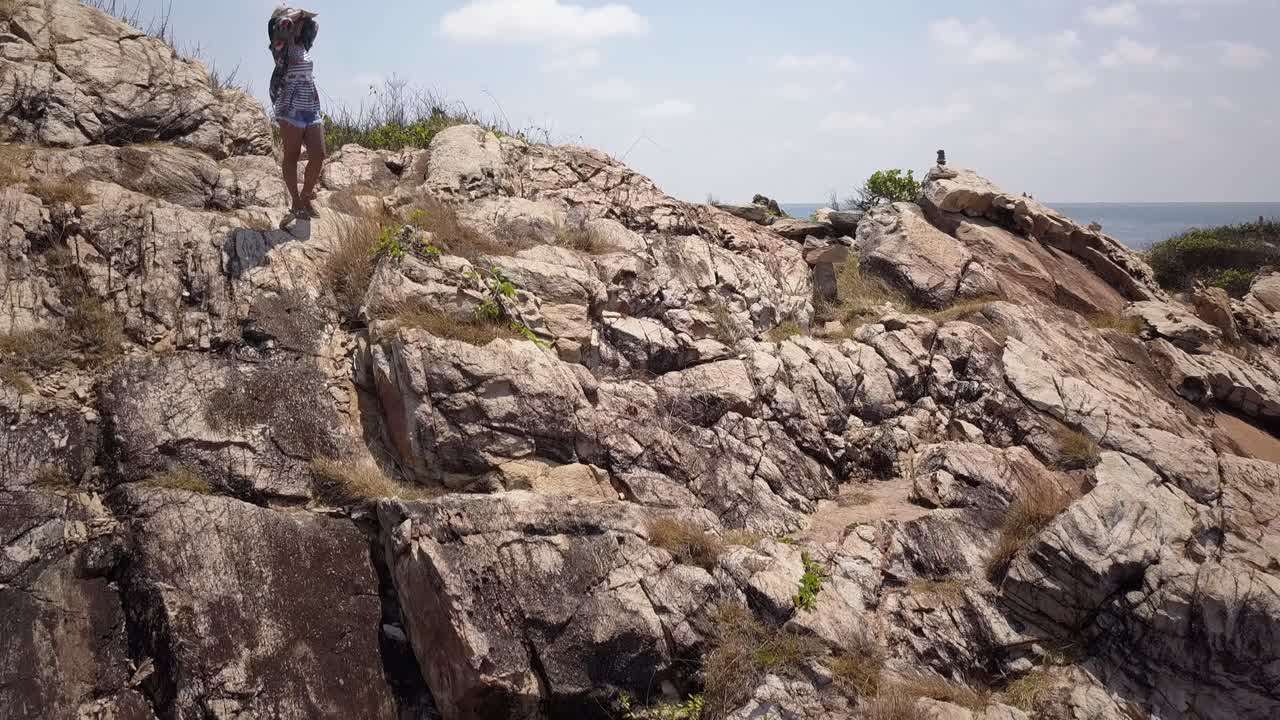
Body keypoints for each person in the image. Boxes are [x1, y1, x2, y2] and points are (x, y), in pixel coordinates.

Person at [269, 7, 324, 228]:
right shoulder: (279, 47)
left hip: (310, 104)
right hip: (290, 106)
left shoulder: (304, 45)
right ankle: (296, 201)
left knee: (319, 154)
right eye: (297, 20)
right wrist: (294, 15)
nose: (301, 22)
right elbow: (280, 25)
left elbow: (315, 26)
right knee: (291, 156)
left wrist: (304, 18)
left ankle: (306, 196)